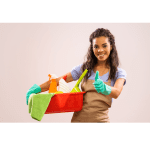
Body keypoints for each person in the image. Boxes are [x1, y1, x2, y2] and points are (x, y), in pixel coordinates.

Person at [26, 28, 127, 123]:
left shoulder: (118, 73)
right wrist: (37, 89)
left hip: (101, 121)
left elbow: (117, 92)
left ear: (111, 46)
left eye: (104, 45)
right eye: (96, 46)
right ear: (92, 48)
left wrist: (106, 88)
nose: (100, 50)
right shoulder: (85, 68)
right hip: (78, 121)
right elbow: (58, 81)